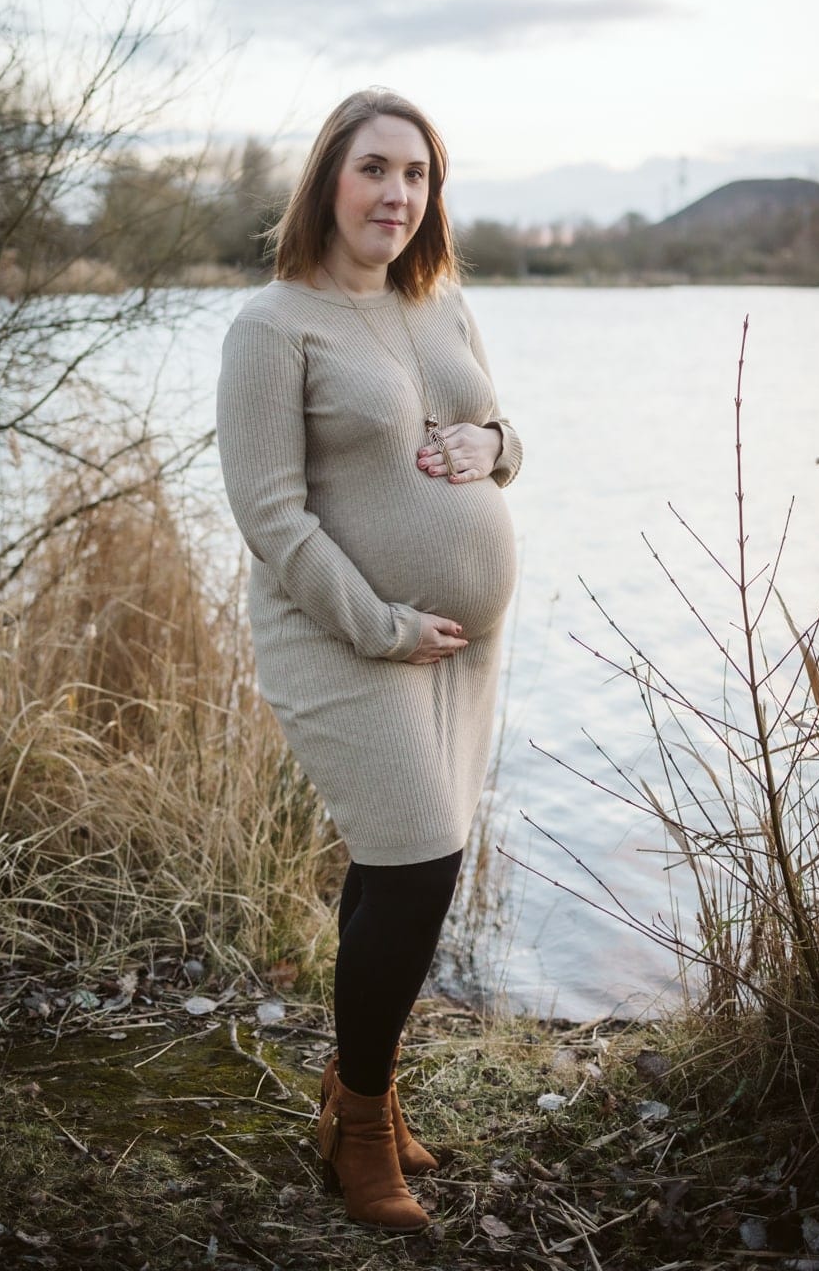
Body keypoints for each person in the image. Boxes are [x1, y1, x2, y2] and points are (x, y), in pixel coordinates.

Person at [216, 88, 522, 1232]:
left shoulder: (438, 301)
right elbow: (270, 515)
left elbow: (509, 439)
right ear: (327, 180)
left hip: (458, 648)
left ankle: (364, 1095)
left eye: (417, 175)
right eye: (374, 169)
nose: (397, 194)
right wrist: (383, 623)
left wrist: (487, 442)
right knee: (422, 859)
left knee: (402, 867)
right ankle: (355, 1125)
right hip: (343, 633)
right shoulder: (272, 324)